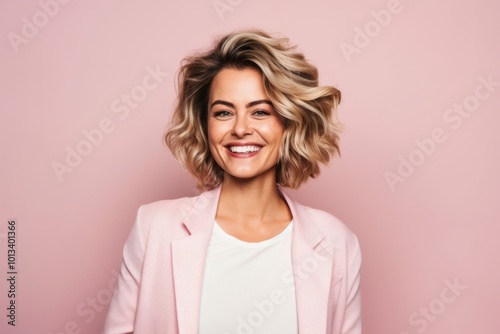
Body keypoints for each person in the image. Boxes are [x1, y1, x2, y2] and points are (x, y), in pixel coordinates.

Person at [102, 29, 361, 334]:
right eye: (224, 112)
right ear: (205, 124)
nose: (240, 129)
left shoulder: (337, 242)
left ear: (289, 122)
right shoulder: (154, 227)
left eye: (260, 111)